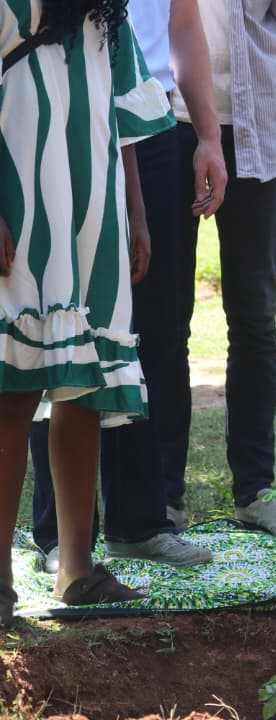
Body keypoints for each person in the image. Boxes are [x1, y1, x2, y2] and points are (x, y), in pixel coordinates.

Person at [29, 0, 229, 574]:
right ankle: (59, 537)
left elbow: (184, 25)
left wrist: (208, 137)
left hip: (152, 123)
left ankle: (140, 522)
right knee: (59, 322)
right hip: (58, 120)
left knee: (155, 331)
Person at [1, 0, 175, 624]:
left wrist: (137, 210)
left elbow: (123, 116)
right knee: (13, 385)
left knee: (86, 383)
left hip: (94, 208)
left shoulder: (108, 9)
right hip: (19, 202)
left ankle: (77, 569)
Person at [167, 0, 276, 534]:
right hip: (167, 127)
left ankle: (255, 489)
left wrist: (258, 84)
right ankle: (163, 496)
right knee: (165, 321)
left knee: (255, 320)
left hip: (255, 131)